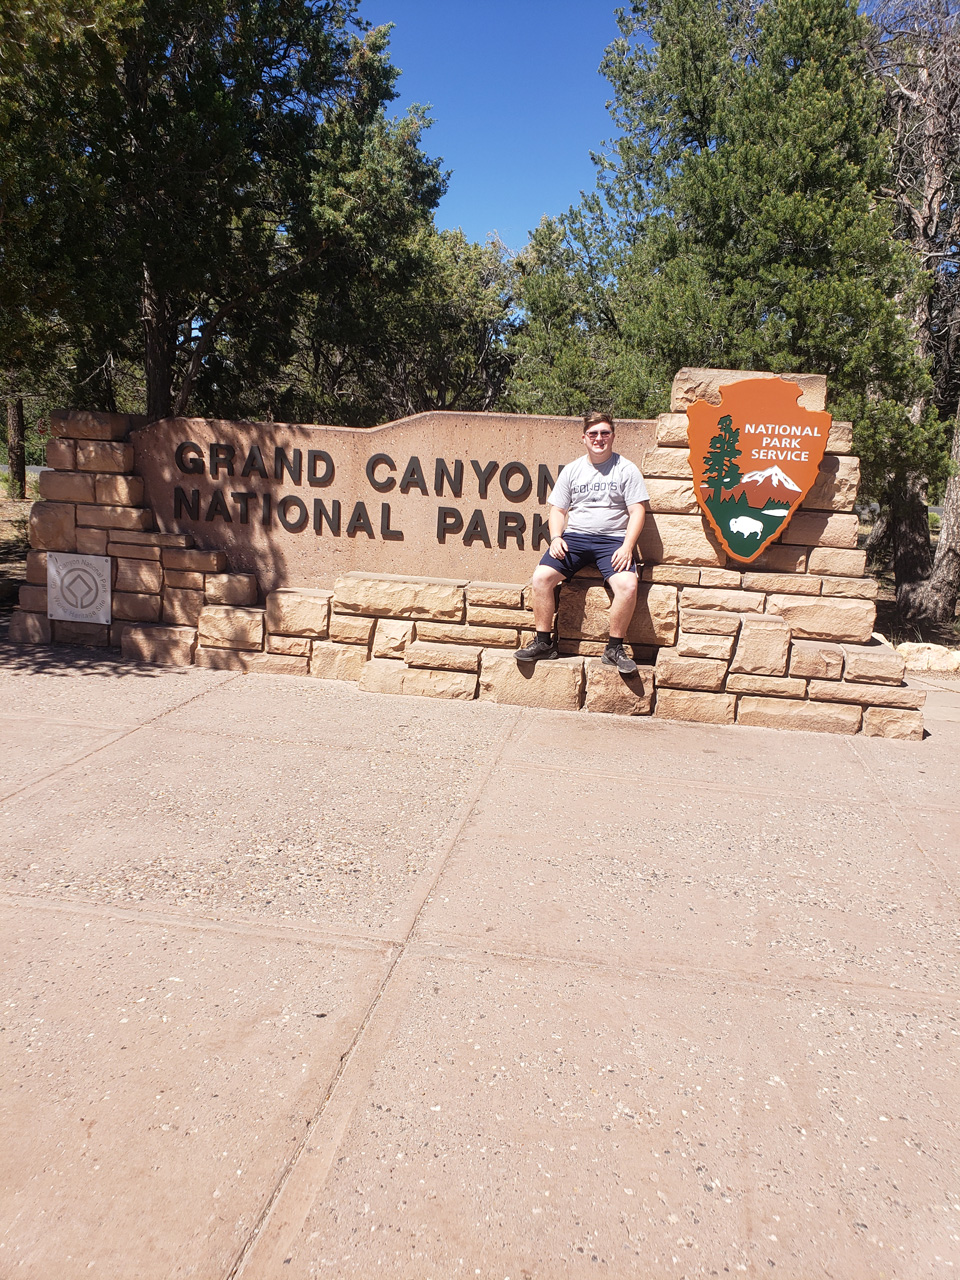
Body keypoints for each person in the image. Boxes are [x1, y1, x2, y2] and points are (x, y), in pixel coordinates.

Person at [515, 411, 649, 675]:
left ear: (612, 436)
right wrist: (555, 538)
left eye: (604, 433)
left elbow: (637, 512)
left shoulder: (626, 469)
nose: (599, 439)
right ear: (584, 438)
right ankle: (543, 643)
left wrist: (627, 546)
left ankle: (614, 649)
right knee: (541, 577)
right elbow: (557, 510)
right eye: (593, 434)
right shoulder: (573, 470)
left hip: (612, 541)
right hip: (574, 538)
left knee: (628, 585)